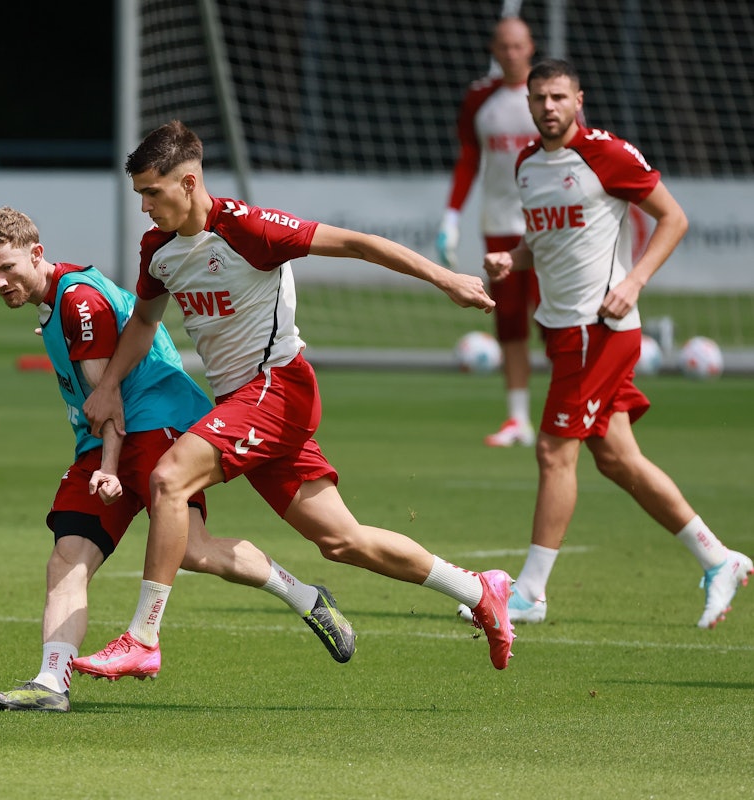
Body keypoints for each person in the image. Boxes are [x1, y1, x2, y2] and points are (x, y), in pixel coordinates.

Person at [71, 120, 517, 682]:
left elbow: (358, 243)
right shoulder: (157, 249)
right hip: (243, 402)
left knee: (168, 479)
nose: (145, 207)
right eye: (139, 195)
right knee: (342, 541)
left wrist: (444, 279)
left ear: (188, 182)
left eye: (151, 193)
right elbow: (143, 322)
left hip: (279, 387)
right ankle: (479, 588)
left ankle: (142, 637)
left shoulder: (251, 229)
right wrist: (109, 383)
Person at [0, 206, 358, 712]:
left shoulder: (79, 303)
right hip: (106, 439)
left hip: (152, 424)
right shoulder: (61, 297)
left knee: (193, 550)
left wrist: (109, 470)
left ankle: (308, 598)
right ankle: (51, 684)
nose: (0, 281)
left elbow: (106, 400)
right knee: (69, 556)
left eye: (8, 267)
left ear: (37, 254)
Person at [461, 59, 752, 628]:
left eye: (559, 97)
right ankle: (718, 559)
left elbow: (673, 218)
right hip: (564, 330)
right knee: (618, 460)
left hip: (600, 331)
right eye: (540, 98)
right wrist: (510, 260)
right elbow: (541, 244)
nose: (548, 106)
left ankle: (530, 594)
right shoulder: (526, 164)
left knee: (552, 452)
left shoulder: (608, 154)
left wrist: (634, 281)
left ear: (579, 100)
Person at [437, 16, 540, 447]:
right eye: (504, 47)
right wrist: (451, 216)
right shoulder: (480, 98)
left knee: (562, 323)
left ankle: (578, 416)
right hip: (500, 227)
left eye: (519, 46)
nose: (512, 54)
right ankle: (519, 419)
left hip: (548, 227)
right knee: (511, 325)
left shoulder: (552, 94)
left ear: (531, 47)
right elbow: (468, 159)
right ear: (494, 51)